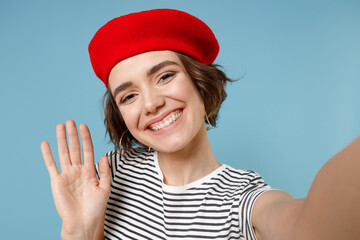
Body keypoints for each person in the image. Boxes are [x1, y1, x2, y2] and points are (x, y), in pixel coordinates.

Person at [41, 9, 360, 240]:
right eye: (129, 96)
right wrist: (77, 231)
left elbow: (307, 225)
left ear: (199, 83)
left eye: (165, 76)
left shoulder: (242, 199)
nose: (151, 104)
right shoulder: (111, 176)